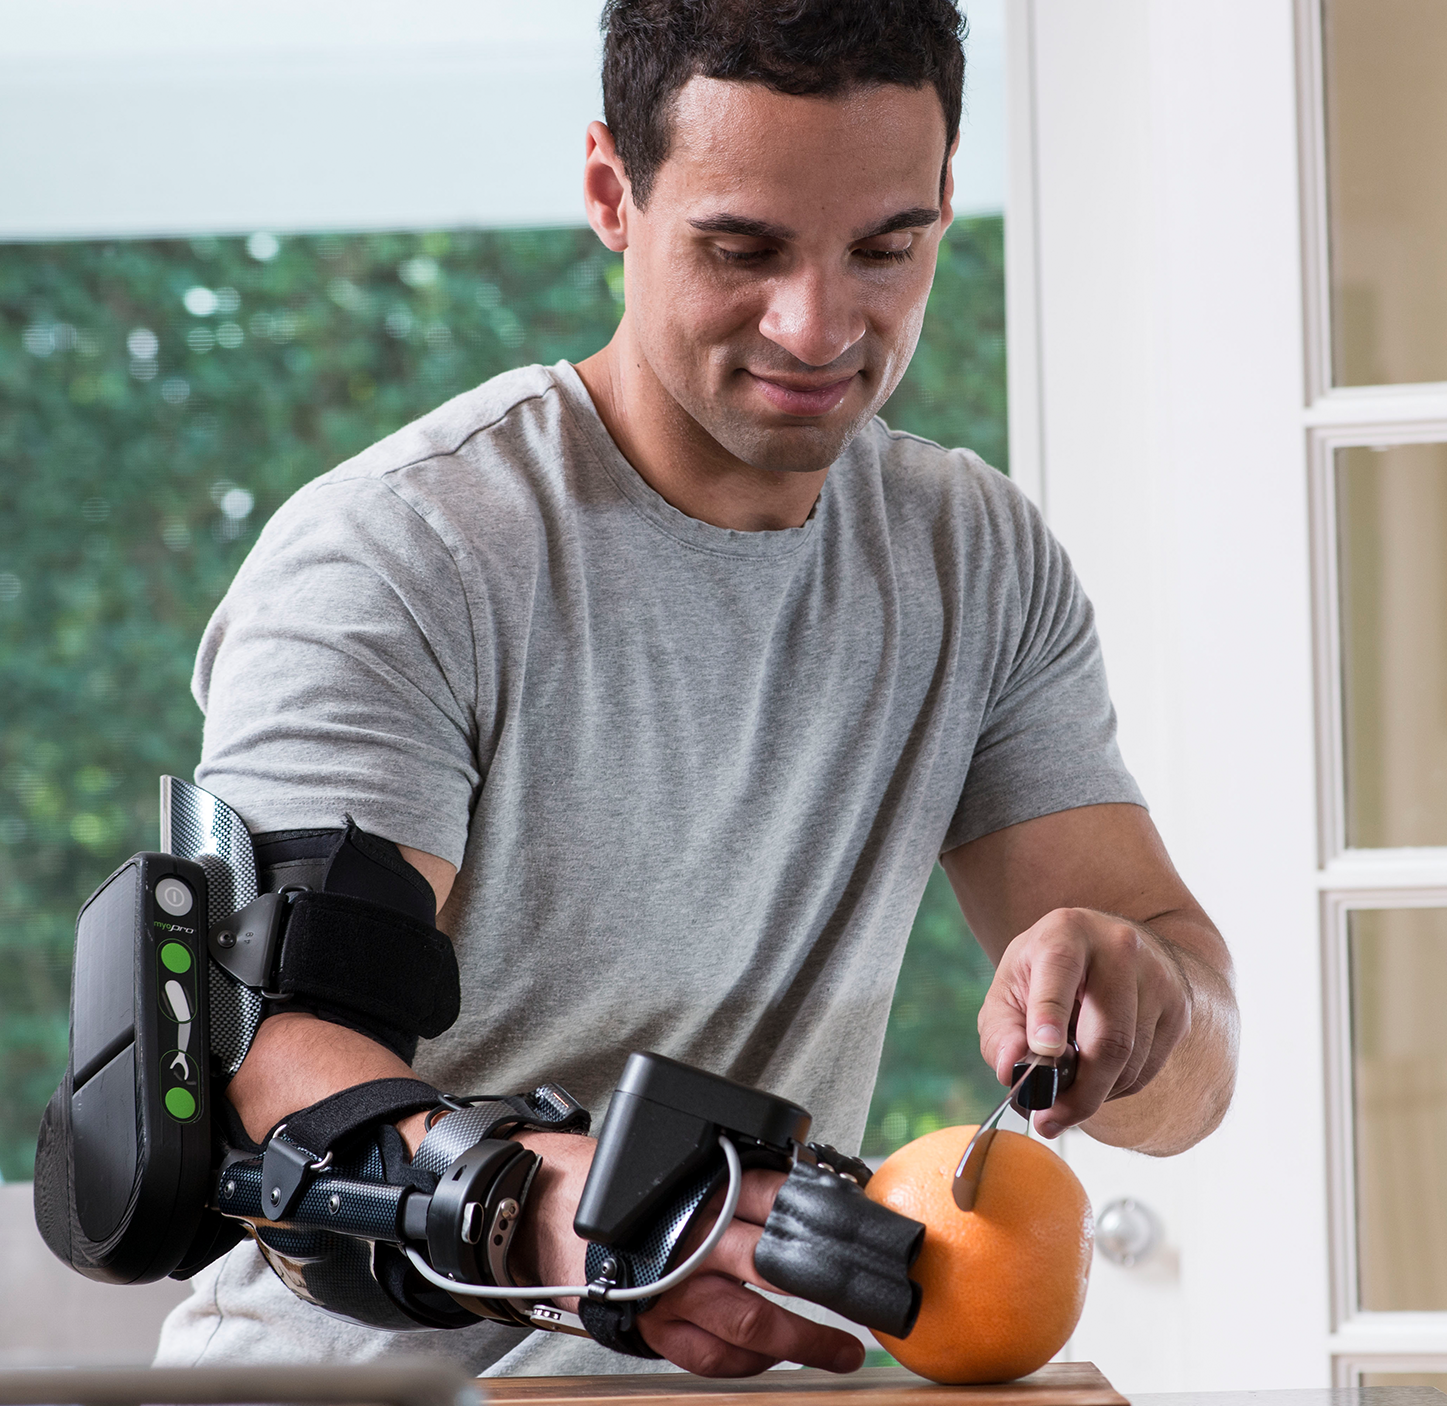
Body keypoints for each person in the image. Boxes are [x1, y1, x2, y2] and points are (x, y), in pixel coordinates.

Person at [154, 0, 1237, 1379]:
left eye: (885, 248)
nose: (818, 325)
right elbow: (277, 1076)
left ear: (945, 200)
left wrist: (1146, 1008)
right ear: (613, 191)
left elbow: (1188, 1090)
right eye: (744, 249)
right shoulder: (404, 553)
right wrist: (559, 1219)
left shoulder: (975, 562)